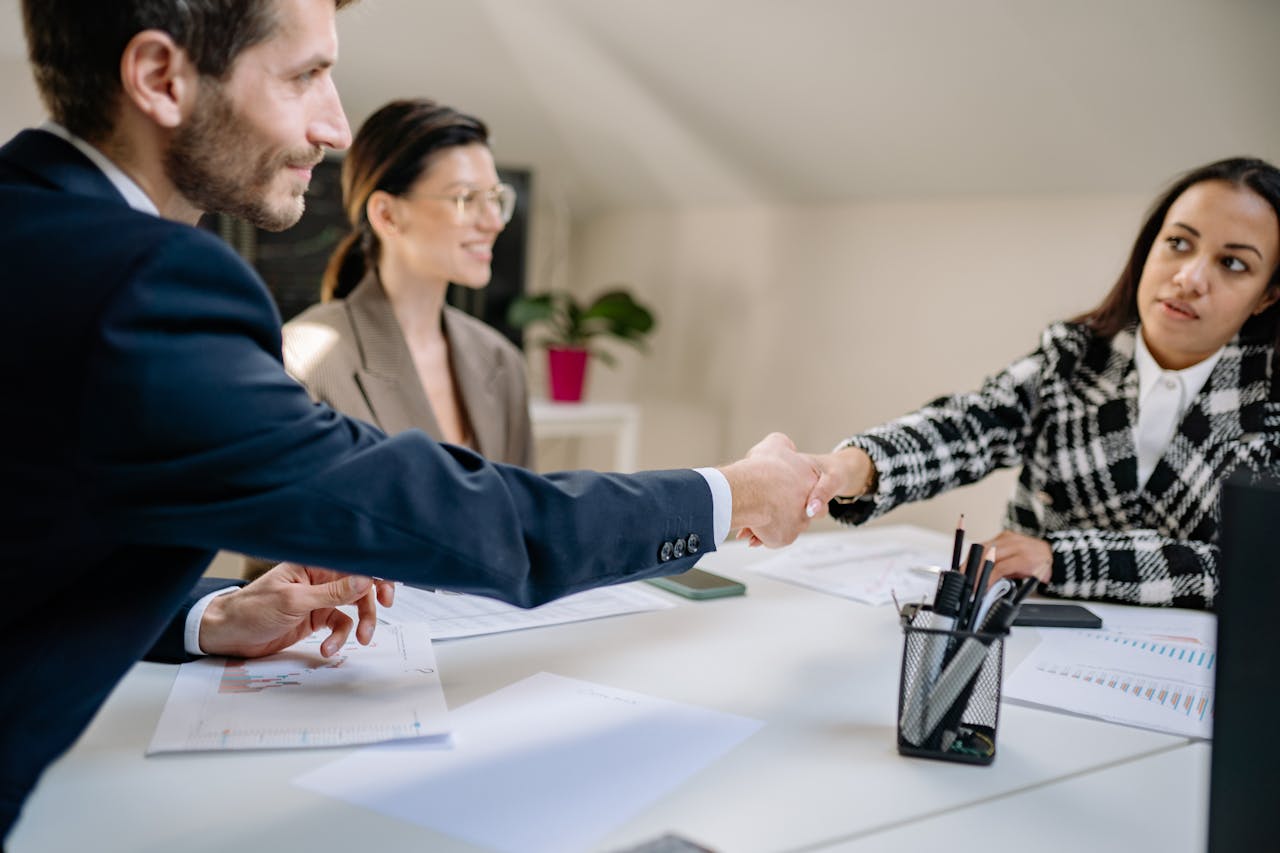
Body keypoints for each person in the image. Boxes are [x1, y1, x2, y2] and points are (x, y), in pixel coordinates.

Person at [0, 0, 818, 838]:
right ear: (160, 79)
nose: (337, 126)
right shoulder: (148, 290)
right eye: (306, 75)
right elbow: (469, 514)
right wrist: (733, 494)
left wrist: (210, 616)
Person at [803, 157, 1280, 610]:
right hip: (1023, 636)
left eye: (1233, 264)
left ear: (1267, 296)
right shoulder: (1072, 358)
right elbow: (972, 425)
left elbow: (1254, 570)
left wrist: (1060, 559)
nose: (1190, 278)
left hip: (1184, 673)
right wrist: (853, 467)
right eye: (1178, 243)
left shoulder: (1267, 406)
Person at [290, 98, 533, 465]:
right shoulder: (307, 360)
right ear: (386, 214)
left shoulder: (503, 363)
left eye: (496, 198)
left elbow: (524, 514)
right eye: (466, 198)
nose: (494, 222)